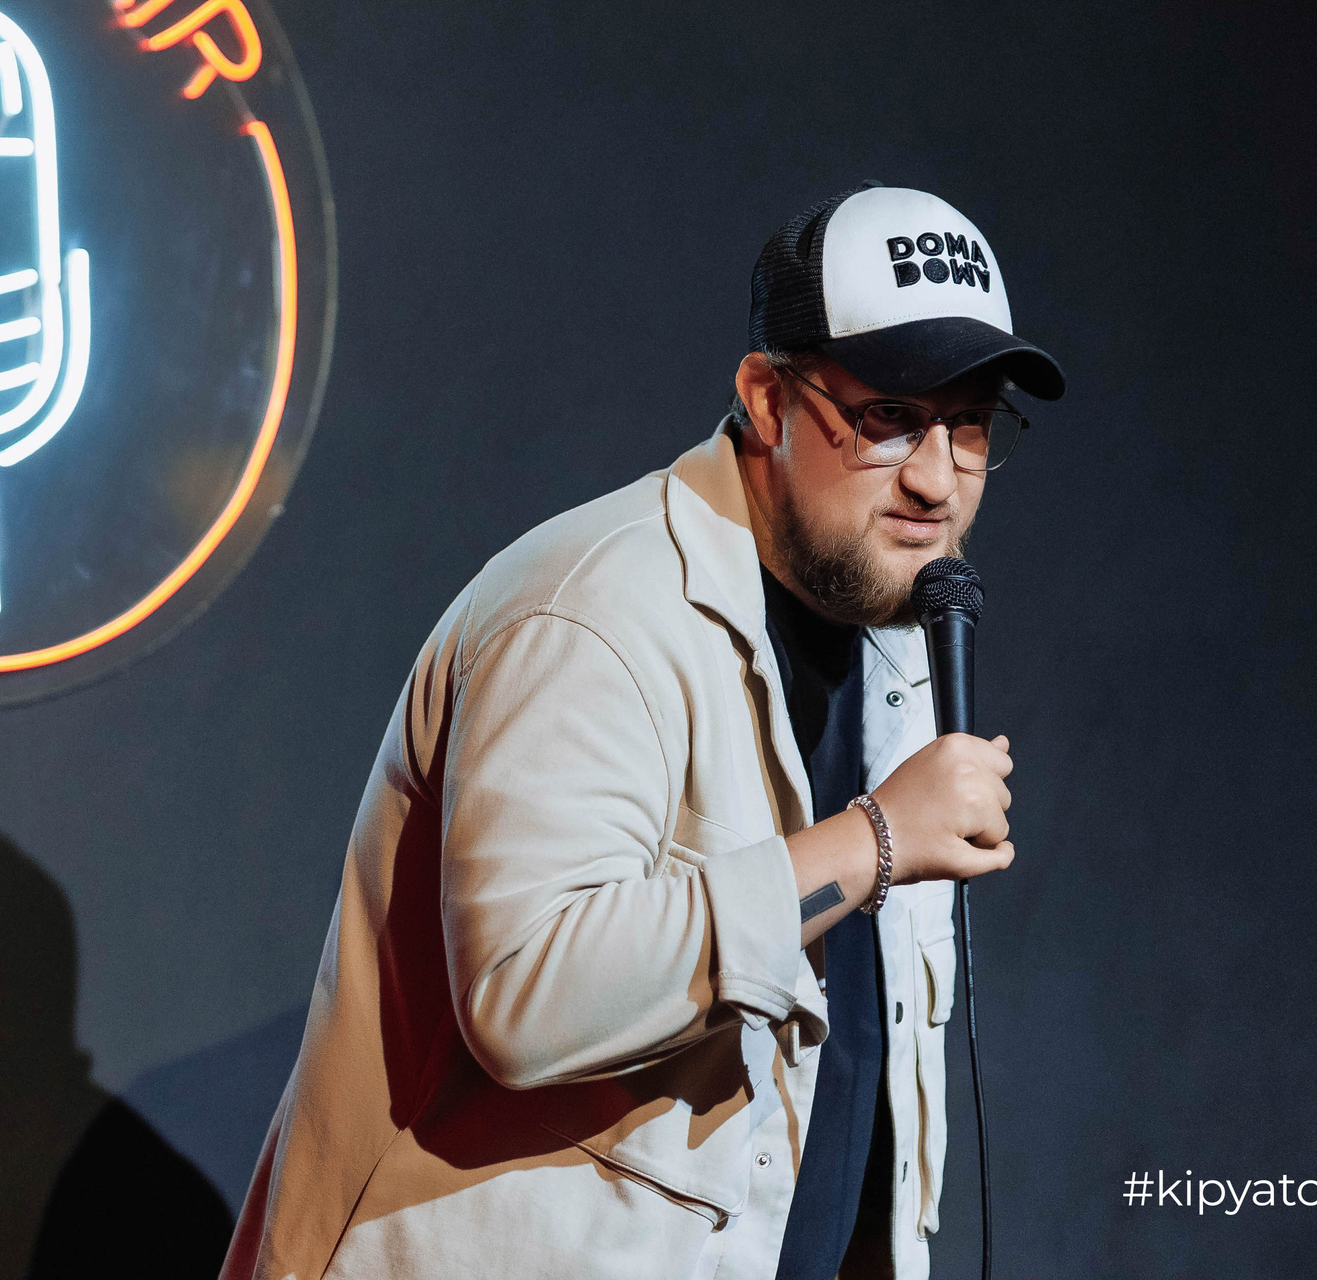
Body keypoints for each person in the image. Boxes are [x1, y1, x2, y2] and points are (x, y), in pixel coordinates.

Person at [222, 182, 1065, 1280]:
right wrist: (869, 842)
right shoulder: (587, 610)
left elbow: (859, 1075)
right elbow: (523, 993)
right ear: (766, 399)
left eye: (970, 426)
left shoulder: (896, 647)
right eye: (888, 418)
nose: (936, 479)